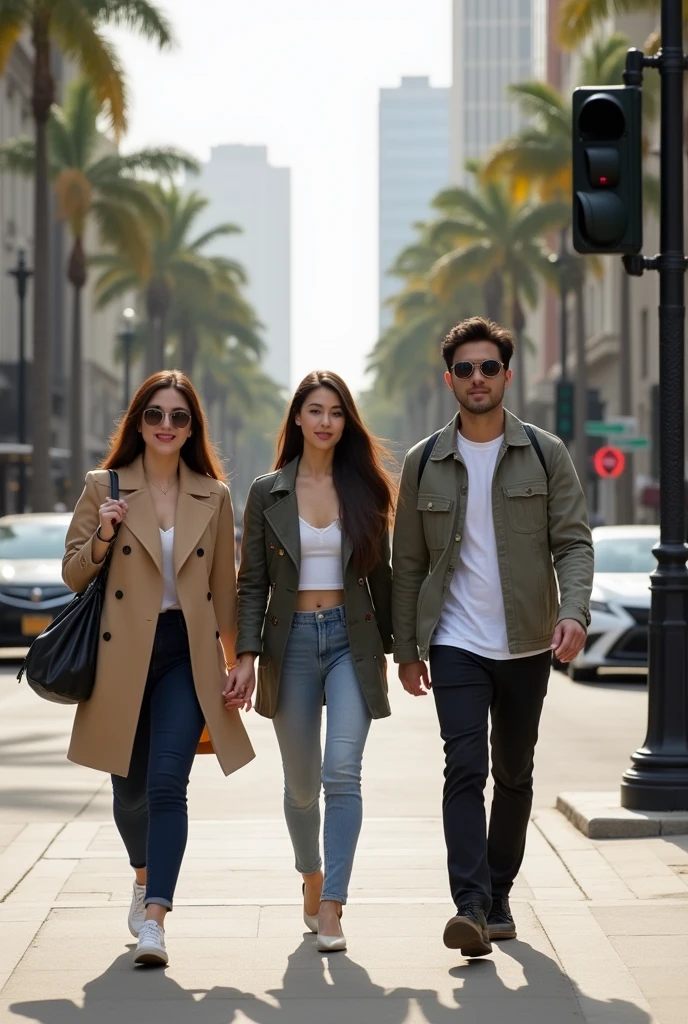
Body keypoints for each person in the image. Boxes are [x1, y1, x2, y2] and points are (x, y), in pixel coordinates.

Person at [392, 317, 593, 958]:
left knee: (514, 773)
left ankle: (500, 890)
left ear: (507, 375)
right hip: (455, 640)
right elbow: (409, 565)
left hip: (529, 639)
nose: (476, 379)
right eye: (464, 369)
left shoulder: (544, 452)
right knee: (463, 769)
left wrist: (575, 612)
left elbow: (573, 541)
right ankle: (471, 904)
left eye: (488, 368)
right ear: (448, 378)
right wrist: (408, 649)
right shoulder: (425, 461)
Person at [62, 371, 255, 967]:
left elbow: (227, 587)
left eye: (179, 417)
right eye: (155, 415)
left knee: (170, 783)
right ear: (138, 422)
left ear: (193, 427)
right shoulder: (105, 485)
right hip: (122, 656)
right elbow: (72, 572)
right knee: (131, 791)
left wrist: (239, 660)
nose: (166, 426)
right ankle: (143, 875)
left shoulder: (215, 496)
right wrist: (104, 533)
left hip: (184, 654)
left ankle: (156, 920)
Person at [227, 371, 394, 952]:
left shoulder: (365, 489)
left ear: (347, 422)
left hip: (353, 639)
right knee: (301, 788)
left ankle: (333, 906)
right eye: (315, 410)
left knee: (341, 772)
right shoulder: (266, 491)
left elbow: (384, 578)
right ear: (297, 418)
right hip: (289, 643)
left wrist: (408, 653)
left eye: (337, 412)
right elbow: (250, 584)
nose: (326, 421)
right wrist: (245, 655)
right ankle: (310, 873)